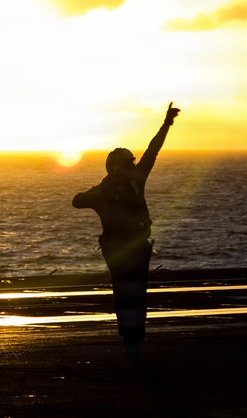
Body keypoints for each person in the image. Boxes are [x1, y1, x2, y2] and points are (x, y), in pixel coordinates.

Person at [72, 102, 180, 353]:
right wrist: (167, 123)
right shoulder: (119, 185)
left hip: (124, 247)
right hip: (126, 246)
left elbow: (77, 201)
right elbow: (77, 201)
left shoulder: (120, 185)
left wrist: (166, 124)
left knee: (125, 289)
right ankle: (133, 336)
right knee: (132, 290)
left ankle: (131, 335)